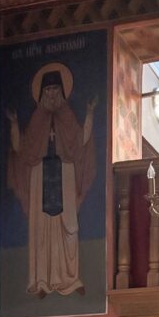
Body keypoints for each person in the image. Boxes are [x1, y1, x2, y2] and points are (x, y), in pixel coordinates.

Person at [6, 62, 97, 297]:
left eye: (55, 89)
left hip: (65, 173)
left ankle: (69, 279)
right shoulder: (37, 119)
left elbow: (81, 141)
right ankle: (41, 281)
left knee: (67, 225)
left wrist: (89, 114)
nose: (52, 94)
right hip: (39, 177)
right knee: (41, 228)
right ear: (41, 93)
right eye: (47, 90)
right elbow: (21, 148)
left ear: (62, 91)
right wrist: (14, 124)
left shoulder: (67, 116)